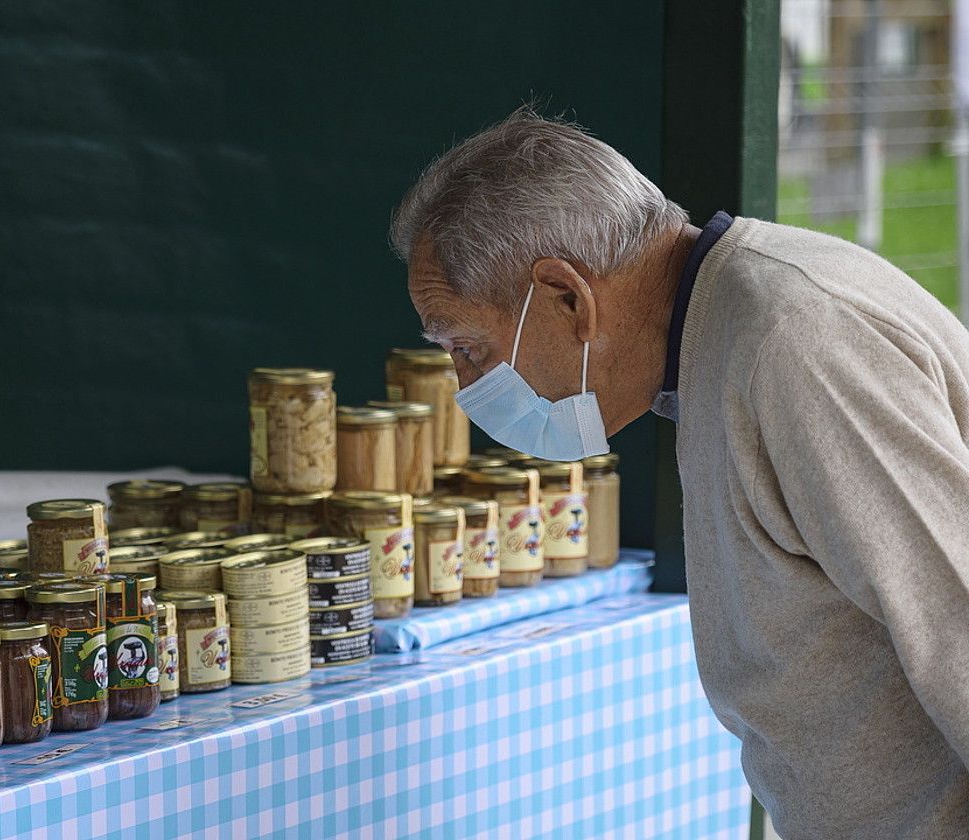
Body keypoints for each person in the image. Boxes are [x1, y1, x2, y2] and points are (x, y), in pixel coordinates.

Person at [391, 108, 969, 837]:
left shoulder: (791, 342)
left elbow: (958, 620)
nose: (462, 381)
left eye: (467, 347)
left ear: (569, 296)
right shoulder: (715, 340)